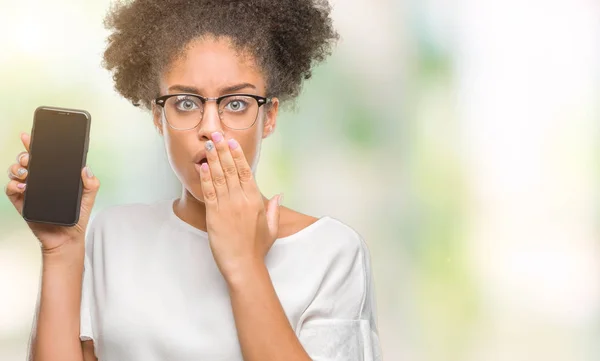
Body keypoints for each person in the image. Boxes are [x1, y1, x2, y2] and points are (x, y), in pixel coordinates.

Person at [5, 0, 382, 360]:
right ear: (158, 117)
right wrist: (59, 250)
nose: (210, 128)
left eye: (236, 103)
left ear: (269, 118)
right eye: (186, 103)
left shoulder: (332, 252)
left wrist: (244, 262)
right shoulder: (113, 234)